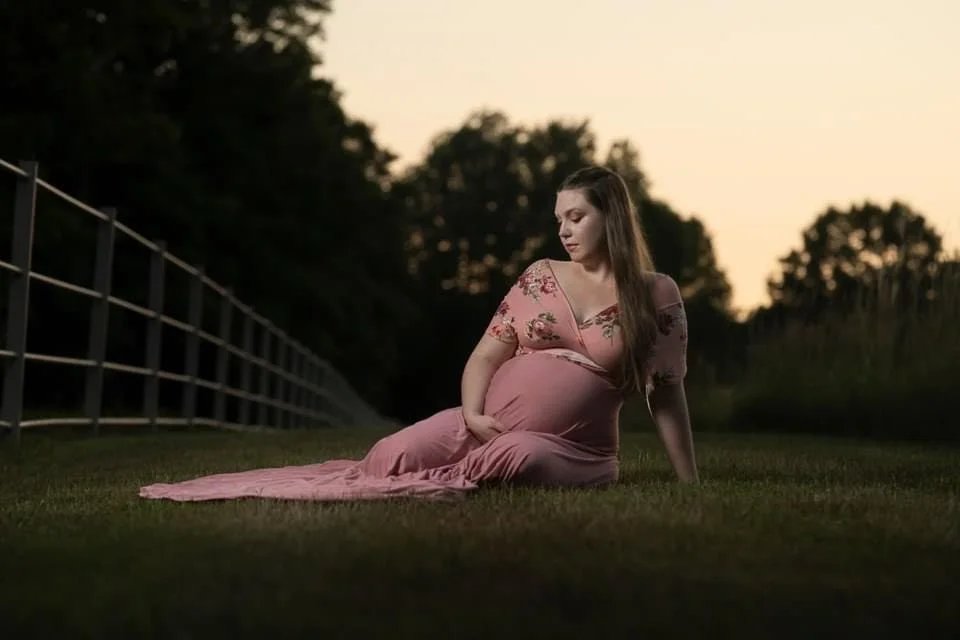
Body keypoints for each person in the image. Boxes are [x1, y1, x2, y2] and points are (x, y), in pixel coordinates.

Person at [139, 166, 698, 502]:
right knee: (386, 454)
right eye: (558, 219)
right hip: (477, 425)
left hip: (574, 448)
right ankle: (434, 470)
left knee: (518, 459)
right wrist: (472, 413)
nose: (563, 229)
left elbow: (666, 395)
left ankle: (452, 477)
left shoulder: (654, 295)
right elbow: (483, 357)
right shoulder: (538, 277)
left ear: (612, 216)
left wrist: (688, 484)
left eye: (575, 216)